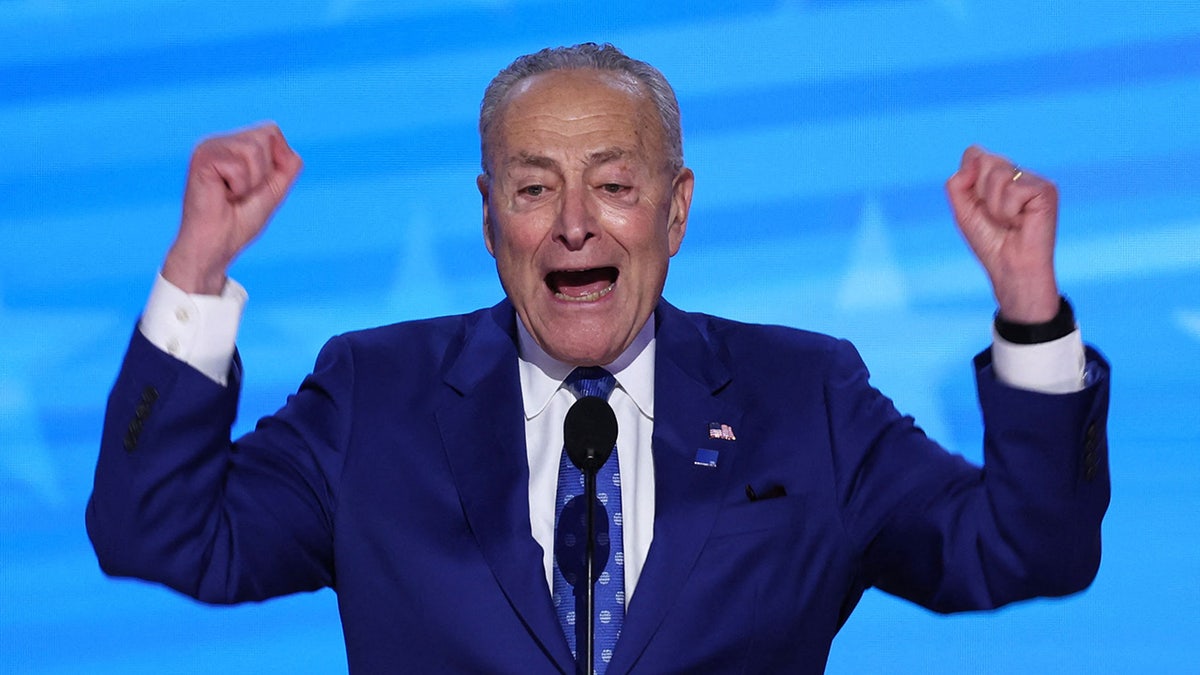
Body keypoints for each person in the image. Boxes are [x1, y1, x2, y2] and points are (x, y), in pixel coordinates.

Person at [87, 43, 1110, 674]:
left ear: (675, 210)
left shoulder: (808, 396)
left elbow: (1027, 549)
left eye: (614, 185)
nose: (574, 226)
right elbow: (158, 535)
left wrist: (1029, 310)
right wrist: (196, 270)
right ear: (491, 222)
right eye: (533, 189)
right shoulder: (375, 397)